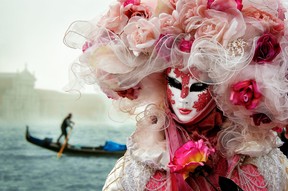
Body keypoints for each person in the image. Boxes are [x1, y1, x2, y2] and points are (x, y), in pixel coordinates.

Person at [63, 0, 288, 190]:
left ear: (220, 89)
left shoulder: (259, 161)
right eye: (173, 83)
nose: (183, 97)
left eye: (199, 87)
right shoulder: (142, 164)